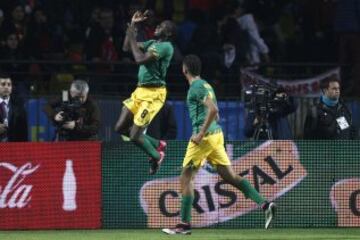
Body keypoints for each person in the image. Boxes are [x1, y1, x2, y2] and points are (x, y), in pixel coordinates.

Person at [162, 55, 275, 235]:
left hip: (204, 137)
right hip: (216, 135)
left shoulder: (196, 87)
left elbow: (213, 110)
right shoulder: (206, 85)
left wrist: (200, 133)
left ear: (185, 69)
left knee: (186, 178)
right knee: (229, 176)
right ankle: (264, 204)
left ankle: (184, 224)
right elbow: (216, 111)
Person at [114, 10, 176, 175]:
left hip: (154, 94)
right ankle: (158, 143)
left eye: (162, 26)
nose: (157, 26)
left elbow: (139, 59)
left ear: (168, 33)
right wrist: (133, 25)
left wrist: (132, 36)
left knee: (134, 136)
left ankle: (157, 155)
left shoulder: (166, 47)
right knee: (120, 127)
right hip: (140, 90)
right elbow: (127, 47)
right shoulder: (151, 43)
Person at [0, 74, 28, 142]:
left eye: (9, 85)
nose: (6, 87)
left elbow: (23, 134)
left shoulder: (19, 108)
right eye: (3, 84)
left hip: (13, 149)